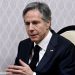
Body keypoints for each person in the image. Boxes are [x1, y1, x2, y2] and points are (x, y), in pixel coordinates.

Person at [6, 2, 75, 75]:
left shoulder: (66, 48)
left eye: (35, 23)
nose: (30, 28)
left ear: (48, 23)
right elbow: (17, 71)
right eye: (27, 23)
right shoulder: (23, 45)